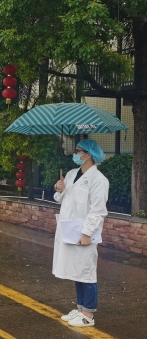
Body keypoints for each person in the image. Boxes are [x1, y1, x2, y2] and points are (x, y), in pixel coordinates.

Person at [53, 139, 109, 328]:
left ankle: (89, 314)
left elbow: (98, 210)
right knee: (76, 270)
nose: (75, 154)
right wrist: (59, 189)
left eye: (78, 151)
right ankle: (80, 309)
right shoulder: (71, 174)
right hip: (70, 230)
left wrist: (86, 233)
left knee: (87, 271)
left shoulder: (99, 180)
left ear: (88, 154)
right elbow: (62, 199)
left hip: (85, 232)